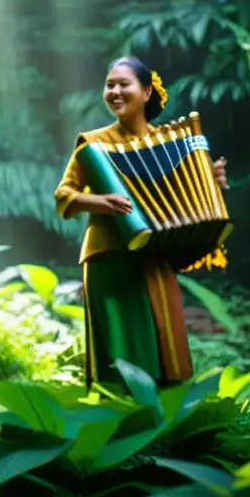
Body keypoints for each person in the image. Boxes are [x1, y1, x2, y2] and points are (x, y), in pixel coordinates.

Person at [54, 57, 229, 388]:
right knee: (121, 342)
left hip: (154, 254)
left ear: (147, 92)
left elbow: (187, 199)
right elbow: (64, 195)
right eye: (110, 85)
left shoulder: (170, 142)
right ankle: (121, 421)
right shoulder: (91, 143)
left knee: (166, 339)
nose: (115, 91)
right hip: (109, 257)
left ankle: (166, 430)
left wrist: (212, 183)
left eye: (124, 84)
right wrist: (99, 202)